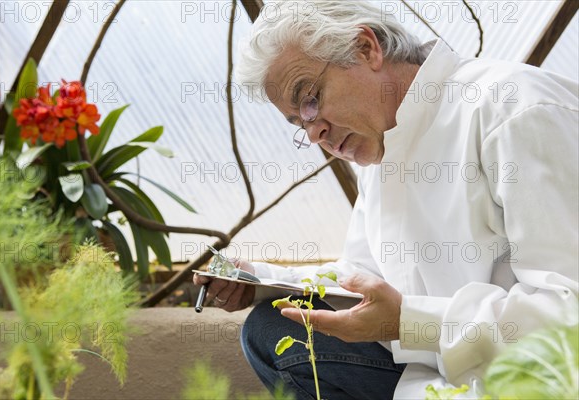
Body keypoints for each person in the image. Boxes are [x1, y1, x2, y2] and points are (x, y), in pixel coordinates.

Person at [193, 1, 579, 398]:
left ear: (366, 48)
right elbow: (363, 277)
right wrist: (260, 281)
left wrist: (409, 322)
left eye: (310, 99)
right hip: (434, 379)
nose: (314, 134)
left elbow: (571, 316)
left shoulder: (513, 109)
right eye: (300, 123)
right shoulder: (382, 149)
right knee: (270, 330)